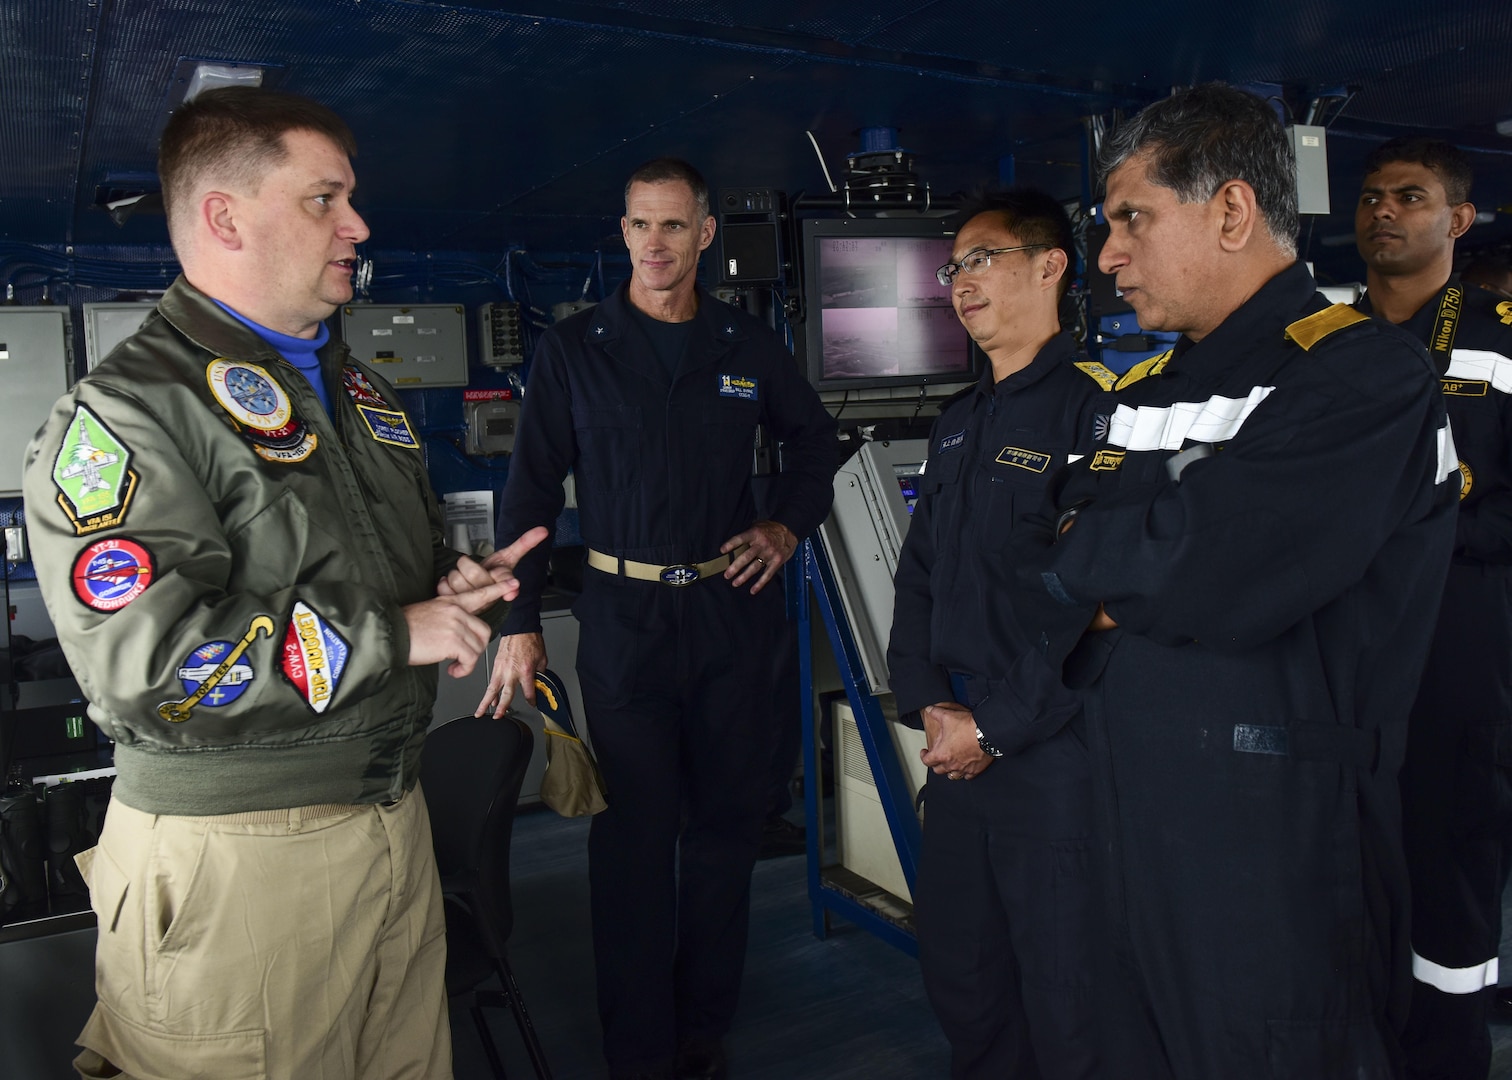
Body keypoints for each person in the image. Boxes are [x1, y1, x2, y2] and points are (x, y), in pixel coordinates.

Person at [21, 87, 545, 1080]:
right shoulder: (130, 413)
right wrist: (398, 632)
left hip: (391, 820)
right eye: (325, 199)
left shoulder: (360, 393)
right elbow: (153, 668)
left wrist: (453, 583)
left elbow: (382, 563)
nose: (359, 224)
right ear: (226, 217)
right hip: (242, 859)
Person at [1008, 83, 1460, 1078]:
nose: (1108, 254)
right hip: (1131, 821)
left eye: (1131, 218)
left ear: (1230, 211)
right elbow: (1060, 548)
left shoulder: (1361, 379)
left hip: (1275, 857)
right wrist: (1119, 558)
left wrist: (1112, 562)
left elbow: (1207, 576)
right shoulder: (1156, 388)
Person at [481, 158, 837, 1080]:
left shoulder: (744, 344)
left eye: (675, 226)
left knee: (724, 831)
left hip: (730, 613)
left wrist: (786, 522)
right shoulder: (575, 349)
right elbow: (526, 494)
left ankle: (700, 1030)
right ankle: (637, 1049)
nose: (655, 245)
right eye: (641, 226)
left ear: (707, 234)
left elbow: (815, 441)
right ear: (624, 230)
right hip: (625, 622)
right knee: (635, 837)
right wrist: (516, 618)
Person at [886, 189, 1111, 1078]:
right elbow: (919, 581)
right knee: (965, 982)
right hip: (959, 750)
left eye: (983, 260)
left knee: (1069, 1000)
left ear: (1051, 264)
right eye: (953, 269)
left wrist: (996, 727)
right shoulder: (958, 425)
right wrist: (930, 705)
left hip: (1053, 756)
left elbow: (1097, 606)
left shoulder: (1097, 414)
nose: (961, 283)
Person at [1355, 136, 1512, 1080]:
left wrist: (1429, 526)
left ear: (1458, 219)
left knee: (1449, 863)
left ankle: (1448, 1058)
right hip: (1343, 654)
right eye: (1372, 196)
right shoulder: (1321, 346)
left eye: (1410, 197)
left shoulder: (1499, 338)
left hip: (1460, 650)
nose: (1384, 211)